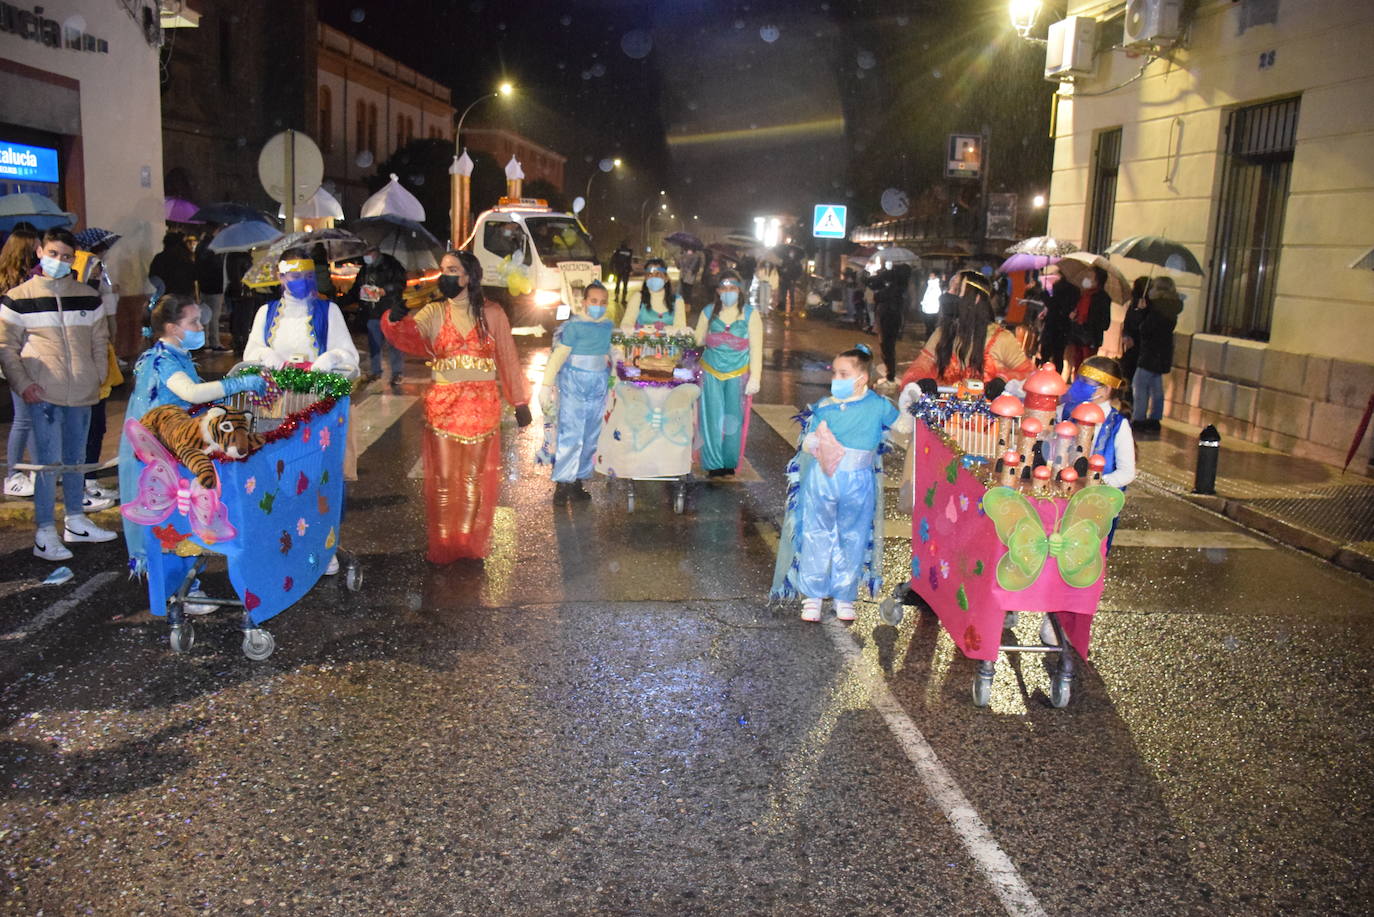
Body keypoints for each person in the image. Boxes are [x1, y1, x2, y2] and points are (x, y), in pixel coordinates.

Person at [382, 250, 531, 562]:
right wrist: (395, 320)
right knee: (446, 480)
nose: (444, 275)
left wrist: (519, 401)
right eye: (442, 269)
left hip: (482, 407)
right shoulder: (434, 312)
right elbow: (410, 337)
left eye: (451, 269)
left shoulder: (493, 313)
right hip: (443, 407)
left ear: (468, 276)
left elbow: (506, 355)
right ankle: (445, 544)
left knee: (472, 480)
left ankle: (467, 543)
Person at [118, 294, 267, 580]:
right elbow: (191, 394)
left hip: (176, 444)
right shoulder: (161, 360)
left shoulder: (176, 356)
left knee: (182, 516)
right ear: (173, 328)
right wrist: (238, 384)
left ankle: (186, 580)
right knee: (173, 518)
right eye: (194, 321)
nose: (200, 327)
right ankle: (180, 587)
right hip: (164, 449)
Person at [0, 228, 117, 561]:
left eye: (66, 256)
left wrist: (96, 375)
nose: (59, 261)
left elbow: (99, 339)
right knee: (47, 465)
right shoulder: (18, 297)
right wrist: (23, 384)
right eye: (53, 254)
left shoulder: (87, 295)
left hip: (82, 391)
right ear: (40, 251)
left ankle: (76, 521)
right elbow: (6, 346)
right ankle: (45, 531)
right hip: (43, 394)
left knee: (76, 461)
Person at [770, 344, 906, 621]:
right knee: (817, 533)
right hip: (824, 479)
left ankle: (844, 595)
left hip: (859, 480)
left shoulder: (878, 406)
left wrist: (913, 403)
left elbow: (904, 426)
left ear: (862, 378)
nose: (837, 379)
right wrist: (812, 443)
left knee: (853, 536)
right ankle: (813, 595)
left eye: (843, 373)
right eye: (835, 373)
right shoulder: (824, 407)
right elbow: (806, 442)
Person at [899, 270, 1035, 394]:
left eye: (957, 289)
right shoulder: (941, 334)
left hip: (988, 418)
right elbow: (920, 366)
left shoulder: (1001, 339)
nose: (949, 293)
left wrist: (1003, 380)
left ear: (976, 298)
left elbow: (1028, 374)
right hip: (944, 417)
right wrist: (921, 381)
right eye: (949, 288)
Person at [538, 280, 612, 503]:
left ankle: (578, 480)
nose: (598, 305)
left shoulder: (607, 326)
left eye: (602, 302)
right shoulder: (574, 326)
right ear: (584, 302)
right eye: (593, 301)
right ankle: (563, 483)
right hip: (574, 385)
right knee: (571, 433)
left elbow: (609, 354)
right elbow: (558, 356)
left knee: (590, 435)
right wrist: (546, 385)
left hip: (598, 386)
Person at [694, 271, 762, 477]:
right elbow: (697, 340)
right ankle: (713, 463)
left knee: (733, 419)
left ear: (739, 290)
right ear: (718, 291)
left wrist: (756, 376)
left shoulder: (751, 314)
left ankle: (729, 461)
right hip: (711, 372)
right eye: (724, 288)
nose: (728, 292)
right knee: (711, 418)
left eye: (732, 288)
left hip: (738, 374)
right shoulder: (708, 312)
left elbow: (756, 348)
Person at [1, 224, 39, 498]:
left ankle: (38, 469)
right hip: (18, 355)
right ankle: (13, 474)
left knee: (33, 417)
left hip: (31, 355)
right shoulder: (16, 287)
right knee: (24, 418)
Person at [340, 245, 407, 390]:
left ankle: (397, 372)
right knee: (374, 344)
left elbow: (401, 284)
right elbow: (356, 289)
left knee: (393, 344)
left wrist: (385, 290)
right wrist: (342, 301)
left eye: (368, 253)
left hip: (389, 311)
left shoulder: (392, 265)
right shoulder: (365, 269)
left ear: (375, 252)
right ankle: (376, 371)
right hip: (371, 312)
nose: (366, 256)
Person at [1125, 276, 1182, 433]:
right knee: (1156, 387)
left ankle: (1139, 419)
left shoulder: (1157, 309)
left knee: (1139, 385)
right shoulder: (1172, 307)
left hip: (1150, 353)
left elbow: (1145, 329)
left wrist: (1142, 312)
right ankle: (1155, 418)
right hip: (1163, 353)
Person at [867, 261, 911, 385]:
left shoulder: (893, 289)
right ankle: (890, 373)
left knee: (887, 347)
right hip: (893, 318)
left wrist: (880, 280)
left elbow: (877, 296)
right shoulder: (901, 289)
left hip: (888, 318)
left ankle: (890, 375)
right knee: (888, 347)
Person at [1063, 267, 1112, 376]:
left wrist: (1090, 322)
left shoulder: (1103, 298)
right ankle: (1076, 386)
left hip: (1091, 338)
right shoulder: (1083, 294)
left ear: (1098, 280)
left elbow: (1105, 322)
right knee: (1077, 363)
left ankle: (1084, 388)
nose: (1087, 279)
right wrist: (1074, 316)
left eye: (1090, 277)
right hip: (1078, 335)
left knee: (1088, 366)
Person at [620, 258, 687, 332]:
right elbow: (627, 323)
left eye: (657, 274)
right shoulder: (638, 297)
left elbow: (681, 327)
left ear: (666, 278)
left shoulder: (677, 300)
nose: (653, 277)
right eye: (650, 274)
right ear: (645, 278)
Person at [194, 226, 230, 351]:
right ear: (216, 230)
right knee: (214, 316)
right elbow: (217, 267)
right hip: (216, 285)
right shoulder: (215, 247)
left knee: (205, 315)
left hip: (203, 285)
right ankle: (215, 342)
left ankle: (205, 342)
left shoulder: (200, 246)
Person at [147, 231, 196, 298]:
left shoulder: (160, 257)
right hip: (186, 295)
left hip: (168, 296)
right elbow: (194, 275)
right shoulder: (187, 257)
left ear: (165, 243)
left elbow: (153, 276)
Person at [610, 240, 633, 305]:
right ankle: (623, 299)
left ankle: (616, 298)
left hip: (619, 270)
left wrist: (612, 269)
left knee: (618, 283)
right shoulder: (629, 251)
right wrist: (630, 269)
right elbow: (629, 261)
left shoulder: (618, 251)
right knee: (625, 285)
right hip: (626, 270)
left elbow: (613, 260)